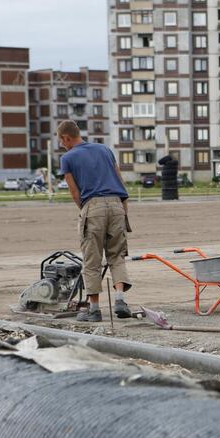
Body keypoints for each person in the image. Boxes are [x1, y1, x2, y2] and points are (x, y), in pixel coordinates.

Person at [57, 120, 133, 322]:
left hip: (93, 206)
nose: (62, 145)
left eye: (61, 141)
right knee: (116, 256)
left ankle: (94, 309)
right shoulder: (105, 149)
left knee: (92, 261)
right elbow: (119, 179)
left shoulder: (68, 158)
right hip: (117, 205)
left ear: (66, 137)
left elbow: (75, 192)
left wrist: (86, 211)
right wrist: (123, 210)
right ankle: (120, 300)